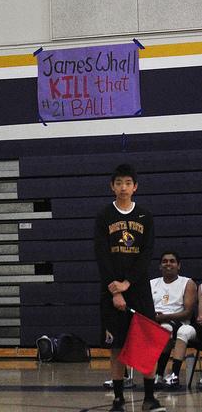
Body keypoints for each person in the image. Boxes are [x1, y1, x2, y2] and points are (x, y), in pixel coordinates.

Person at [94, 163, 166, 412]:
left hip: (138, 288)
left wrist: (128, 283)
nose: (123, 187)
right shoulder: (104, 216)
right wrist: (116, 290)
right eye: (118, 183)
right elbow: (102, 255)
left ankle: (149, 398)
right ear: (112, 186)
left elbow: (146, 254)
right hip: (111, 288)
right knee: (116, 346)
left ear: (135, 186)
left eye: (127, 183)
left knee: (145, 342)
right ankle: (118, 399)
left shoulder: (145, 216)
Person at [151, 251, 197, 389]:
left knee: (177, 330)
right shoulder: (152, 283)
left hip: (181, 323)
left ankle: (174, 375)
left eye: (172, 261)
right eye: (165, 261)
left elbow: (188, 313)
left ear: (179, 265)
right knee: (164, 328)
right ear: (160, 266)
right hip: (155, 323)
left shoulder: (187, 283)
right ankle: (159, 375)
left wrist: (165, 317)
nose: (168, 264)